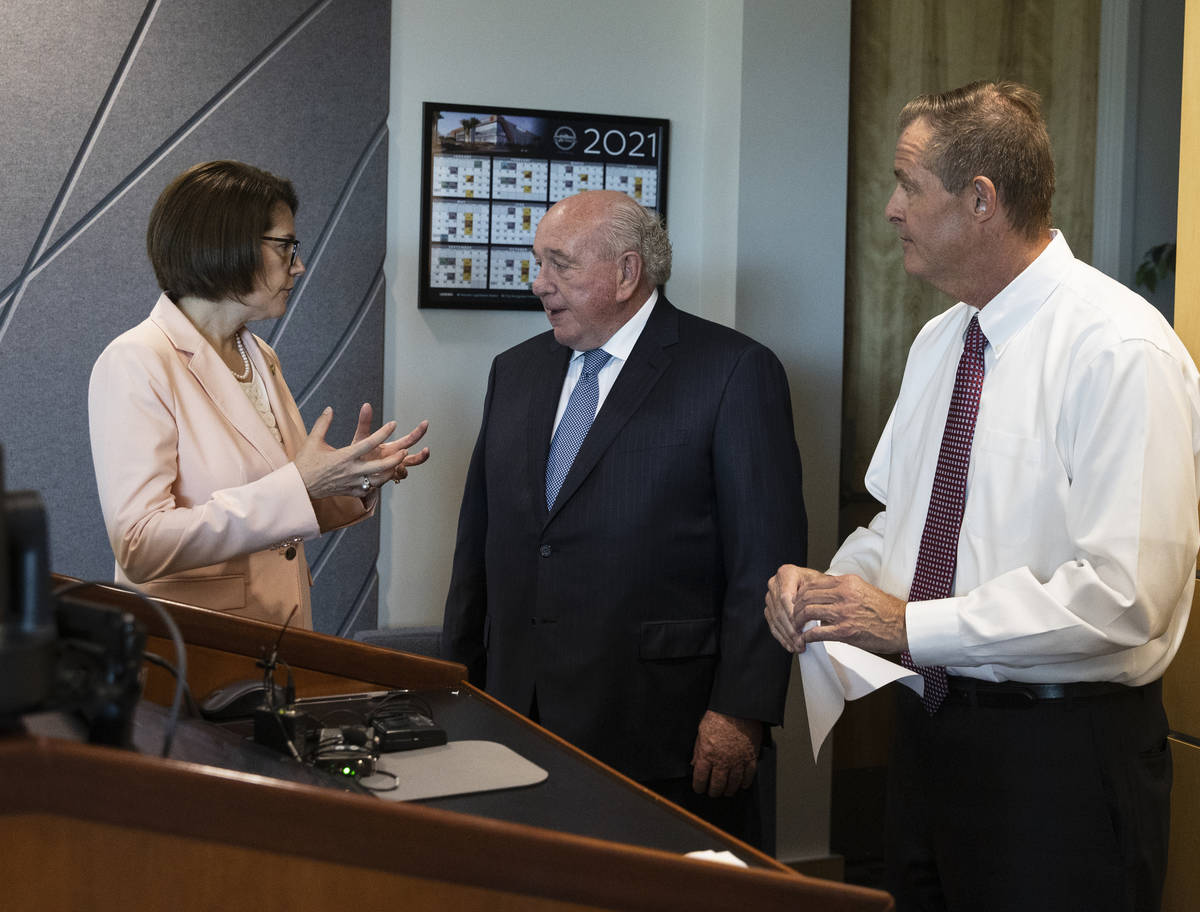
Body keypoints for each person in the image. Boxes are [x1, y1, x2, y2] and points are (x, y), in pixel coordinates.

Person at [765, 81, 1200, 910]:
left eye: (907, 184)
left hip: (1062, 763)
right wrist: (829, 588)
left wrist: (907, 624)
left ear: (981, 200)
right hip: (931, 739)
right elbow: (904, 520)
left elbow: (1123, 598)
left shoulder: (1121, 349)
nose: (890, 209)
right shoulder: (942, 340)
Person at [442, 189, 806, 848]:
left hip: (661, 727)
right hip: (514, 715)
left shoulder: (731, 372)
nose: (539, 283)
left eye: (560, 265)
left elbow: (767, 556)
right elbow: (480, 544)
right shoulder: (515, 372)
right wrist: (458, 686)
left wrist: (741, 710)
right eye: (537, 263)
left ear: (627, 272)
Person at [89, 160, 429, 629]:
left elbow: (285, 505)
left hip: (279, 635)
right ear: (226, 245)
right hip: (196, 645)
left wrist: (355, 478)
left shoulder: (259, 354)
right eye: (286, 246)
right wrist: (301, 485)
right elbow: (139, 544)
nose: (299, 265)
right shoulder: (138, 359)